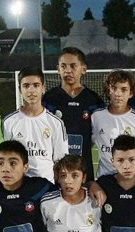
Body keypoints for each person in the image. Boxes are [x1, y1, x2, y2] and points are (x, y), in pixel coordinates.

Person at [43, 47, 104, 179]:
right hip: (55, 169)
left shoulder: (93, 100)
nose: (68, 70)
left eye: (73, 66)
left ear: (83, 69)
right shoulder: (48, 99)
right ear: (58, 69)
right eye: (63, 66)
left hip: (84, 168)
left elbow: (100, 134)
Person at [4, 67, 69, 183]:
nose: (31, 90)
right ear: (20, 89)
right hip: (19, 186)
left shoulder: (55, 123)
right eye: (26, 86)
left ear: (43, 88)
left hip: (46, 187)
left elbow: (60, 160)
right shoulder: (9, 122)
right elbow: (6, 158)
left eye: (36, 85)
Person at [91, 69, 135, 178]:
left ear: (131, 93)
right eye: (114, 88)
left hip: (132, 181)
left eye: (124, 89)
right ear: (108, 90)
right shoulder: (96, 117)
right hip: (106, 179)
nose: (118, 94)